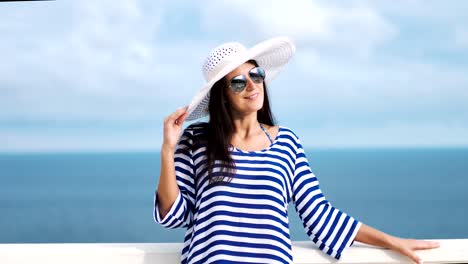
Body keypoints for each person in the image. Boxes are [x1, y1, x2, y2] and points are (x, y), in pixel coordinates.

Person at [154, 36, 439, 264]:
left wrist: (392, 241)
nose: (252, 85)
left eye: (256, 74)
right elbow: (174, 215)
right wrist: (168, 150)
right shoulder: (197, 139)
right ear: (222, 96)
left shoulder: (286, 142)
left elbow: (320, 216)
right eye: (238, 82)